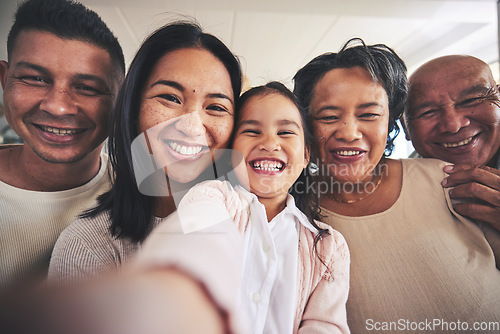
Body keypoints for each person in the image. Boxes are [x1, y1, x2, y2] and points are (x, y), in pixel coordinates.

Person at [293, 39, 500, 333]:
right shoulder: (291, 212)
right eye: (328, 116)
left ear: (392, 122)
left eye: (369, 114)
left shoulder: (448, 179)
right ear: (305, 125)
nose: (350, 133)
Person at [137, 81, 350, 333]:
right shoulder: (212, 197)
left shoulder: (328, 246)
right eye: (252, 131)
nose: (270, 143)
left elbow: (325, 326)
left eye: (285, 133)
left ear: (306, 155)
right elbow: (195, 240)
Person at [48, 21, 243, 282]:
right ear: (133, 106)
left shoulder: (254, 222)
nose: (192, 126)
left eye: (217, 107)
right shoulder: (88, 246)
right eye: (171, 98)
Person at [0, 0, 125, 288]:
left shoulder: (142, 199)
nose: (58, 107)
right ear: (5, 80)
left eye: (87, 88)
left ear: (120, 100)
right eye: (35, 78)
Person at [403, 55, 500, 231]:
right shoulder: (402, 189)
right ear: (406, 128)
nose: (453, 125)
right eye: (428, 112)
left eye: (471, 100)